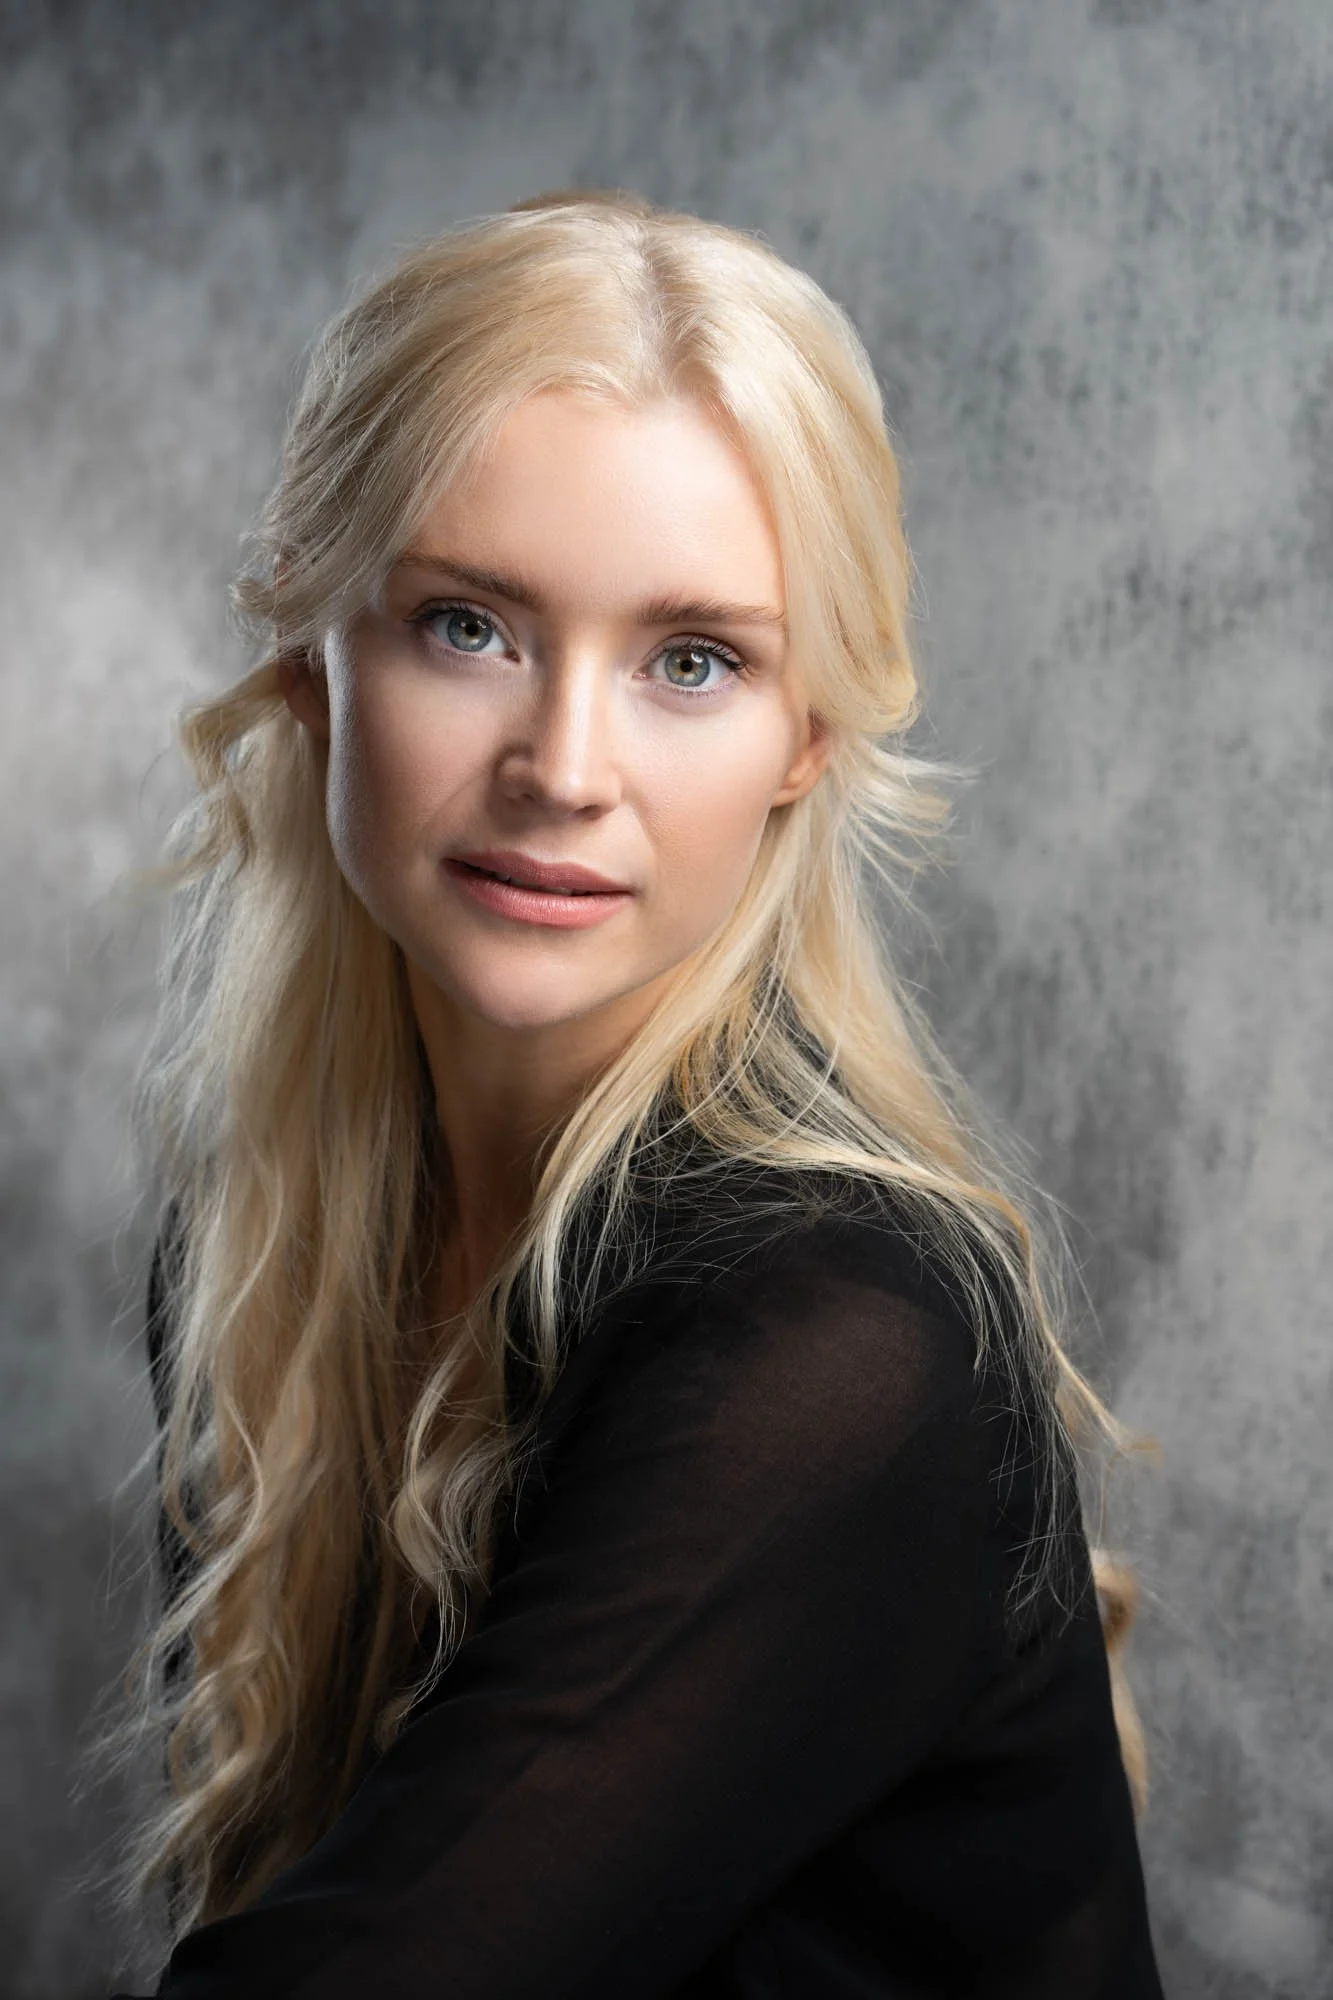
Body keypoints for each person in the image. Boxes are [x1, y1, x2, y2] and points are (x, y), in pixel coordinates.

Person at [104, 188, 1164, 1996]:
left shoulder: (835, 1346)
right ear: (308, 651)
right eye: (469, 627)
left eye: (693, 662)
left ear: (803, 737)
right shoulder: (270, 1239)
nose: (564, 769)